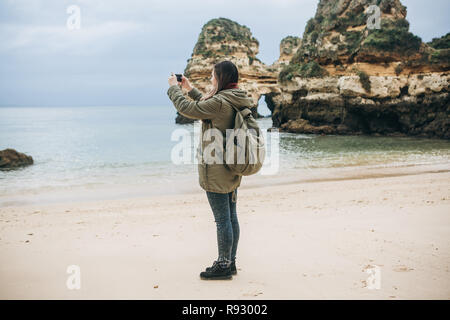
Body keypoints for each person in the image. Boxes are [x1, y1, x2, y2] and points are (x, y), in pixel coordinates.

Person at [167, 60, 254, 280]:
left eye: (213, 76)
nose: (210, 79)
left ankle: (223, 265)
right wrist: (189, 88)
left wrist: (173, 89)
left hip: (216, 169)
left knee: (223, 220)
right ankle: (231, 262)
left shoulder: (220, 102)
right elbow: (208, 106)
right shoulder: (234, 97)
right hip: (232, 167)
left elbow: (189, 109)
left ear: (221, 78)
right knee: (231, 217)